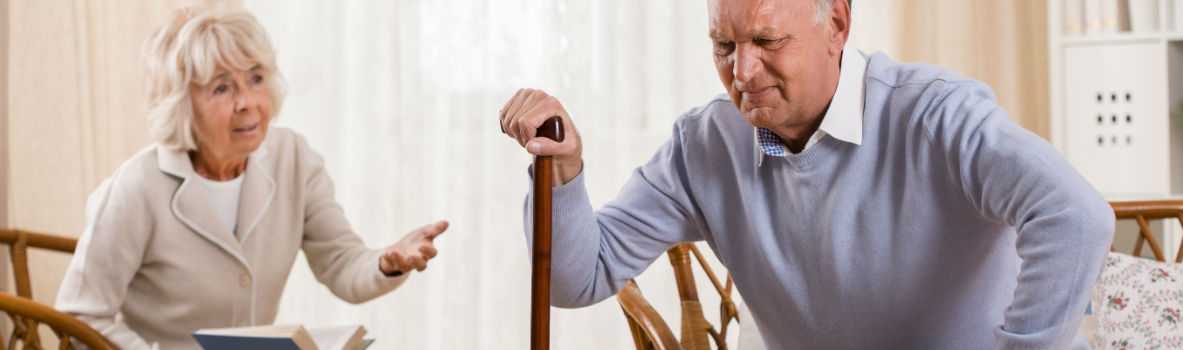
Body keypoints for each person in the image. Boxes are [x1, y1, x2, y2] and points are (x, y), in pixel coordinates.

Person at [498, 0, 1113, 348]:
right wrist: (563, 172)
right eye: (723, 46)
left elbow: (1074, 216)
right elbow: (578, 280)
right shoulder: (705, 144)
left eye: (767, 39)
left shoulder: (934, 113)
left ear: (837, 25)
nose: (742, 70)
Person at [55, 7, 447, 349]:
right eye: (222, 87)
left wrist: (387, 262)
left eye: (256, 79)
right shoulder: (137, 186)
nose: (248, 102)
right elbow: (81, 314)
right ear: (182, 104)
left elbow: (342, 265)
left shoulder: (293, 158)